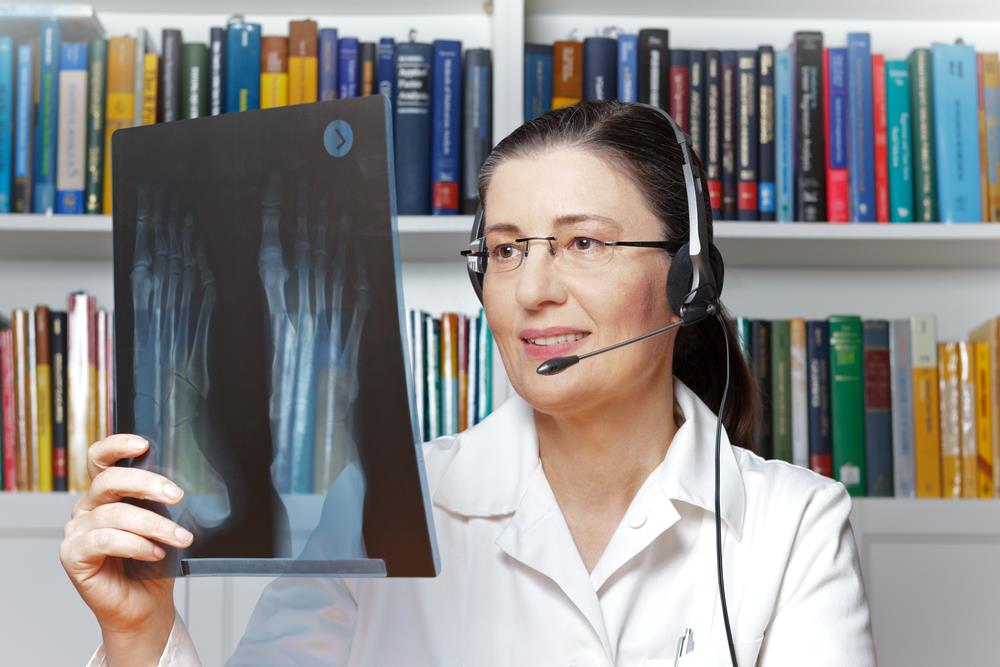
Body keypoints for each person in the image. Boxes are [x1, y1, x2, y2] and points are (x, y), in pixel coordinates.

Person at [61, 100, 877, 666]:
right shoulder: (376, 503)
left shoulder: (793, 524)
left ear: (687, 277)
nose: (532, 289)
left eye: (583, 243)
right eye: (508, 249)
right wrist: (139, 634)